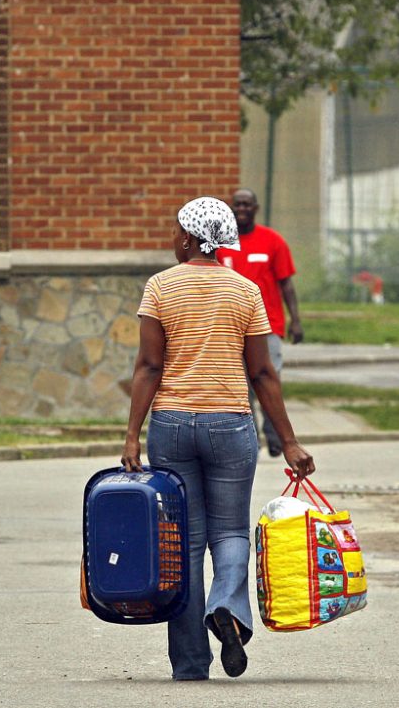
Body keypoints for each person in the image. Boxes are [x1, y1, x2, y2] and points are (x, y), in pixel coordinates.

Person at [121, 195, 315, 681]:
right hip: (230, 424)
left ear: (189, 238)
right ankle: (227, 607)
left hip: (172, 425)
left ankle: (190, 663)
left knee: (184, 542)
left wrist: (131, 436)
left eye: (174, 231)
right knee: (229, 532)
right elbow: (263, 373)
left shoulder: (160, 287)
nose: (171, 238)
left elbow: (148, 366)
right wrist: (289, 441)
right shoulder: (245, 290)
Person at [216, 188, 303, 457]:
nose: (241, 209)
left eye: (247, 204)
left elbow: (286, 284)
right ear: (231, 208)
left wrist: (295, 320)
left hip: (268, 326)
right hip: (231, 328)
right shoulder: (220, 244)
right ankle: (251, 437)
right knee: (242, 386)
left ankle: (275, 433)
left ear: (256, 208)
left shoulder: (273, 241)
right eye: (237, 204)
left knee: (269, 378)